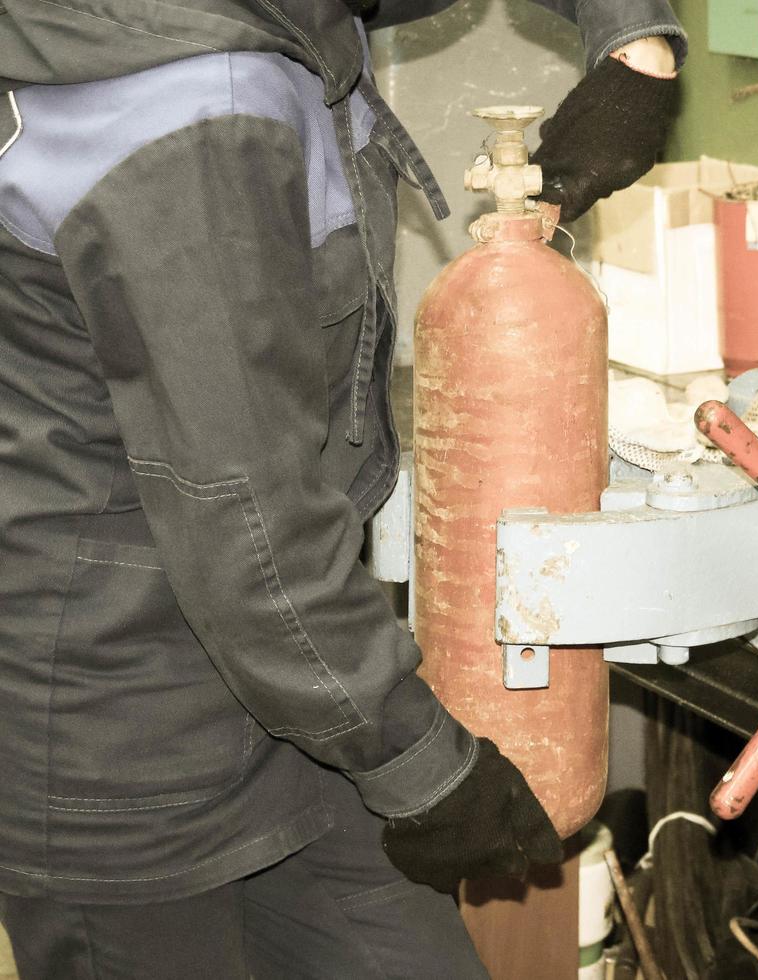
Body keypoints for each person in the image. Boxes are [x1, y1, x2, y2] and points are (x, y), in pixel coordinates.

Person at [0, 1, 682, 975]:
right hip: (126, 741)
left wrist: (633, 38)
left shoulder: (279, 25)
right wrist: (424, 767)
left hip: (295, 701)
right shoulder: (190, 108)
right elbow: (248, 528)